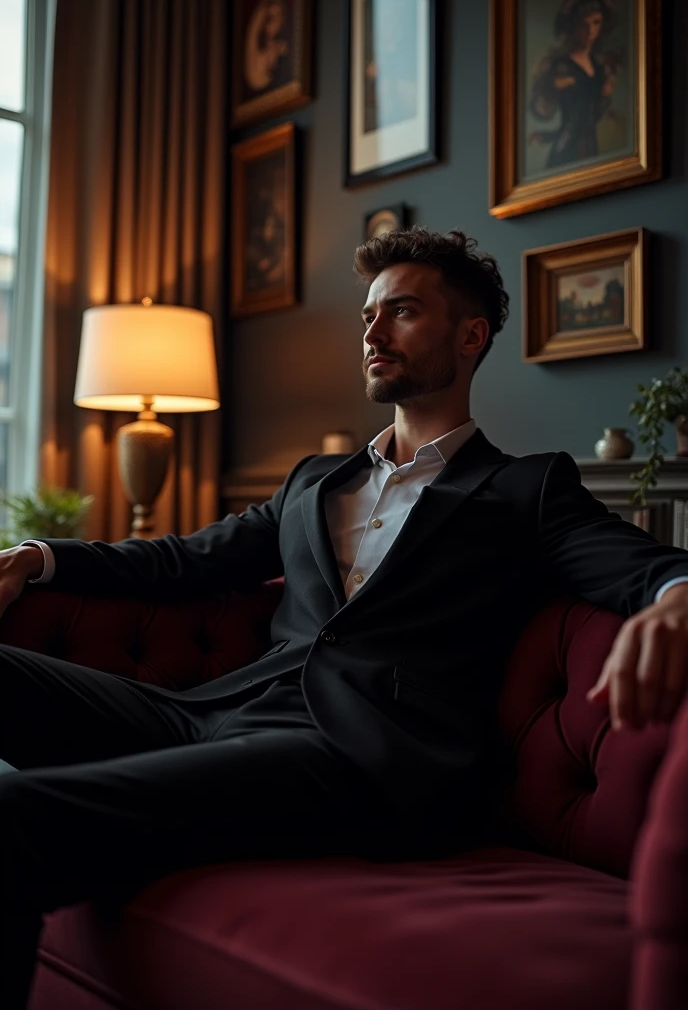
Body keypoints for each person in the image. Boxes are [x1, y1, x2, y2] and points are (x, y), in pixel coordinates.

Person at [3, 227, 688, 1007]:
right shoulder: (315, 480)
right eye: (369, 314)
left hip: (356, 757)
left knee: (19, 813)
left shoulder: (526, 491)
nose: (371, 330)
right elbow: (185, 560)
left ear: (470, 336)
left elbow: (648, 567)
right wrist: (35, 555)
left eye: (400, 311)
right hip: (218, 713)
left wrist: (678, 605)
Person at [528, 0, 622, 169]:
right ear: (574, 26)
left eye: (596, 23)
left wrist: (604, 95)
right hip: (567, 149)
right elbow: (542, 109)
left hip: (590, 148)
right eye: (583, 24)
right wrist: (552, 88)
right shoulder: (562, 66)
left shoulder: (599, 67)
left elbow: (591, 117)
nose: (590, 31)